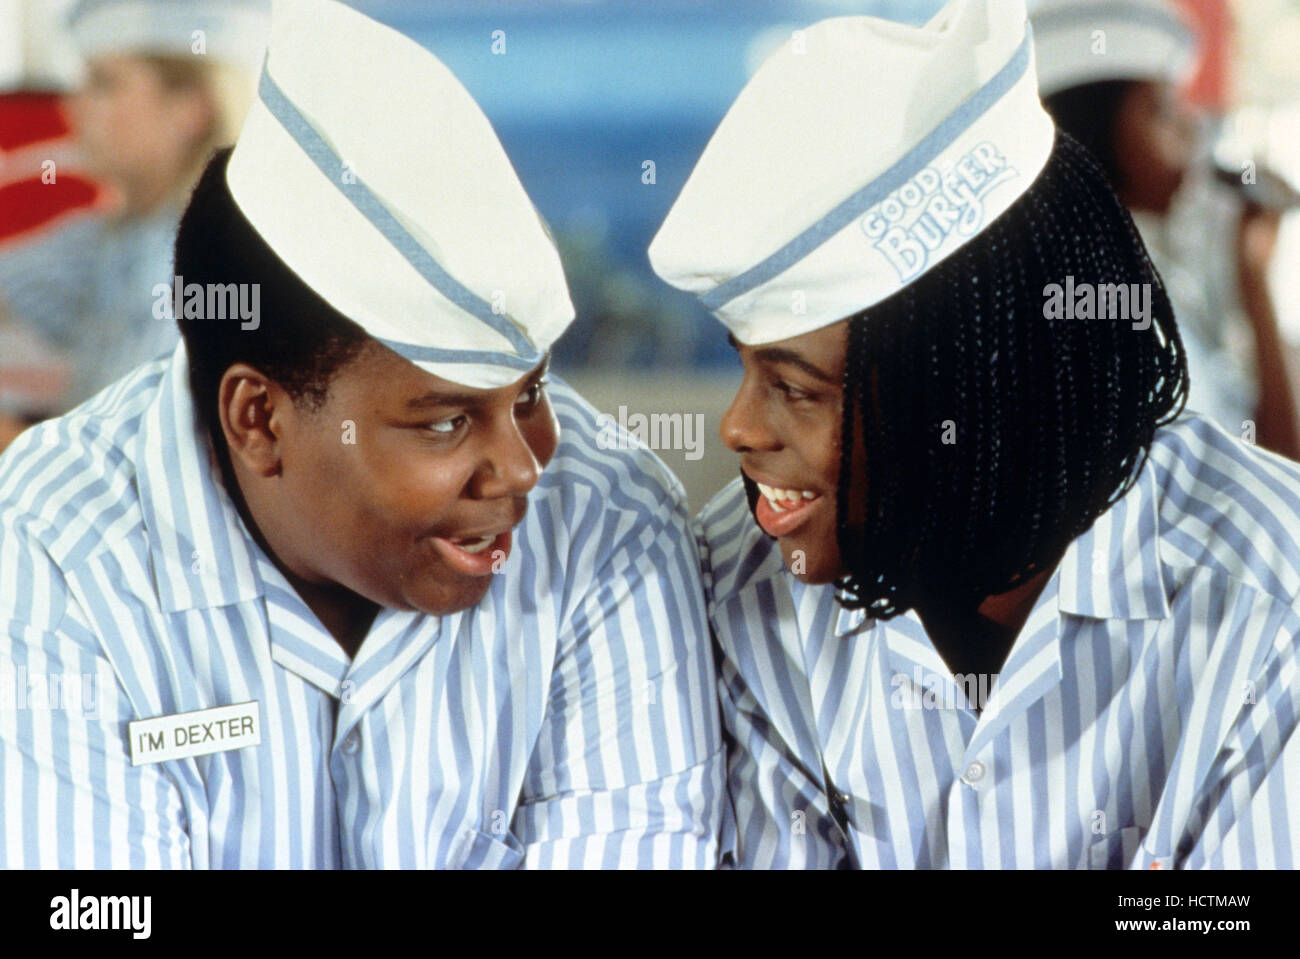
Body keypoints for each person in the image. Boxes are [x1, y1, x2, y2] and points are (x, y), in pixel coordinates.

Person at [0, 0, 722, 869]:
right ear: (258, 419)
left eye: (531, 391)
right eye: (448, 420)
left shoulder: (610, 525)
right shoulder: (58, 543)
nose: (524, 468)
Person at [649, 0, 1300, 868]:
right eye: (746, 368)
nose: (737, 426)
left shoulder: (1268, 601)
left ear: (976, 392)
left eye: (794, 388)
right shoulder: (743, 579)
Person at [1030, 0, 1300, 460]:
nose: (1191, 132)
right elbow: (1279, 465)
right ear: (1091, 131)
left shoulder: (1124, 266)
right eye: (1160, 110)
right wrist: (1252, 279)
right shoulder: (1103, 298)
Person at [0, 0, 267, 413]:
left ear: (191, 108)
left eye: (104, 84)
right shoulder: (111, 237)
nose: (75, 107)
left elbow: (131, 457)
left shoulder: (207, 263)